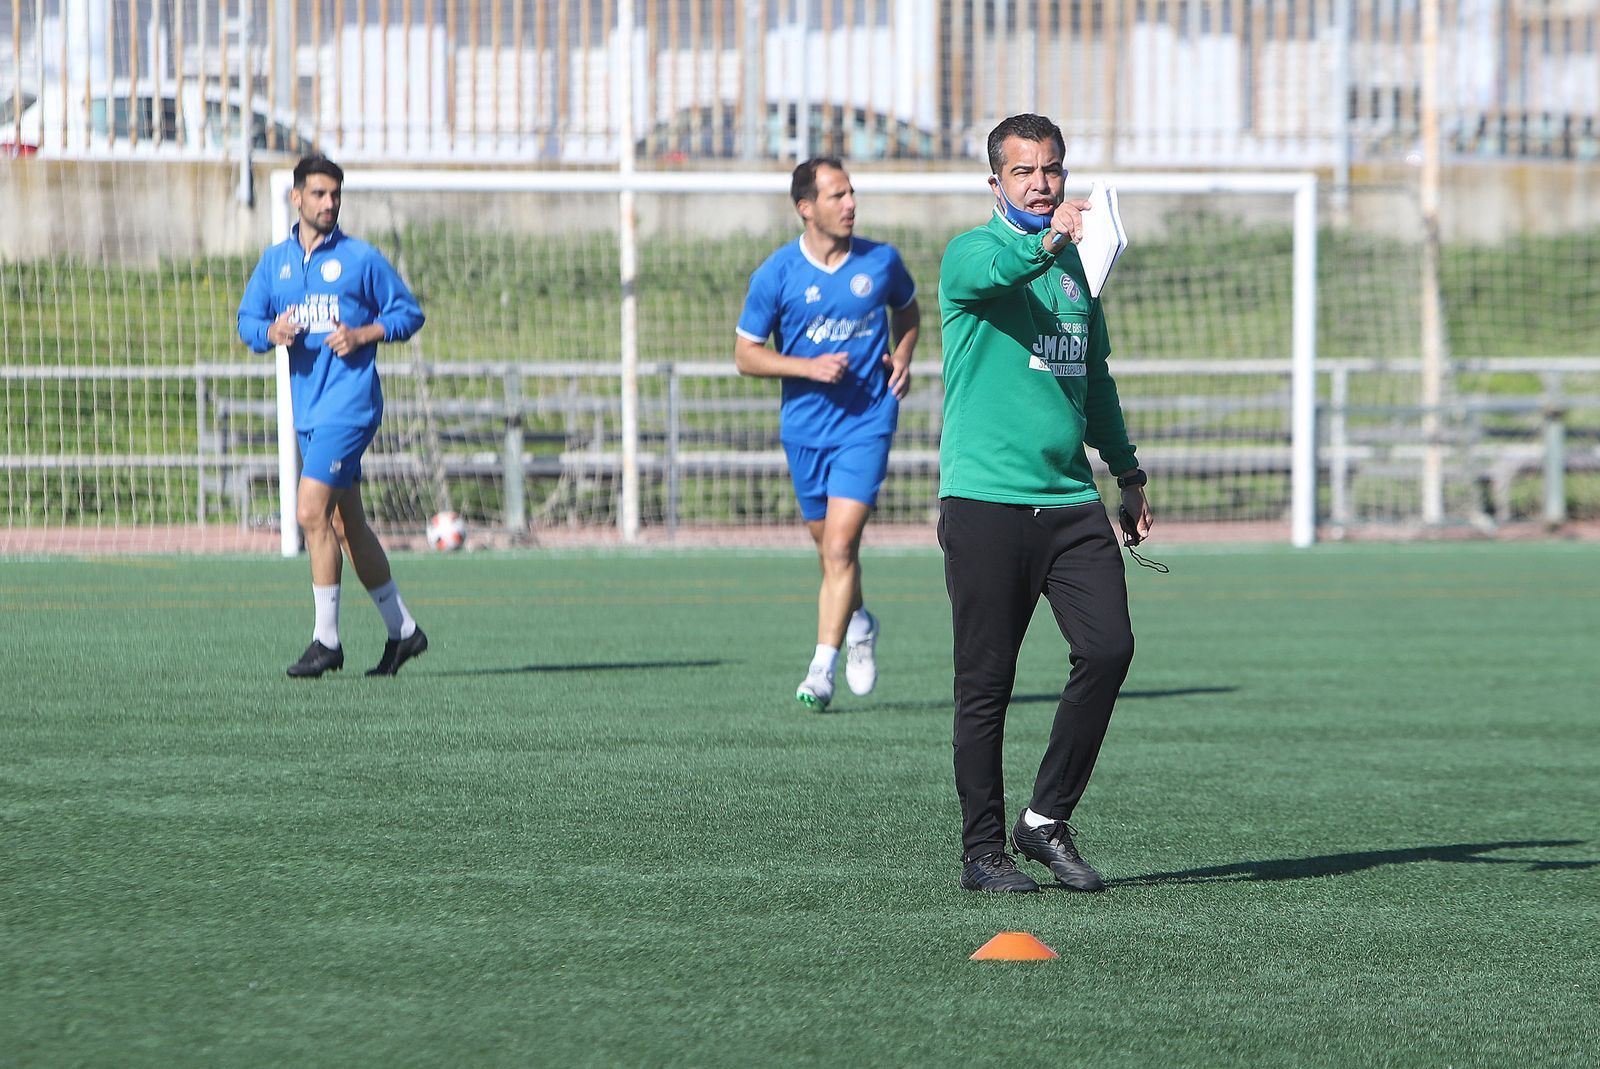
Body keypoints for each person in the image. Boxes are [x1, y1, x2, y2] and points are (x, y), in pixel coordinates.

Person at [936, 114, 1153, 893]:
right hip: (987, 504)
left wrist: (1127, 474)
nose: (1041, 183)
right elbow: (1000, 275)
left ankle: (1044, 820)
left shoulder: (1075, 274)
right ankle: (982, 851)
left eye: (1052, 170)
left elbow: (1094, 382)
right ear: (995, 182)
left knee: (1109, 649)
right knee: (986, 683)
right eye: (1024, 171)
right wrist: (1050, 242)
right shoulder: (973, 252)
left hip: (1069, 504)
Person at [735, 157, 921, 711]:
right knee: (830, 553)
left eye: (851, 192)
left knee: (841, 545)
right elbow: (746, 355)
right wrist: (806, 367)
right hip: (804, 430)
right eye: (837, 195)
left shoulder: (881, 261)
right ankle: (860, 621)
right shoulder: (776, 275)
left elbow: (908, 312)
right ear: (806, 207)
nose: (850, 204)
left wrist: (903, 357)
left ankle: (822, 668)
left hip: (867, 421)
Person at [238, 154, 430, 678]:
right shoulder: (275, 262)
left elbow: (408, 313)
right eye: (319, 195)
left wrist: (365, 333)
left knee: (308, 513)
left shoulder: (361, 259)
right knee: (346, 525)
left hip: (350, 407)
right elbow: (247, 320)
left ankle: (326, 641)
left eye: (335, 195)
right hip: (310, 410)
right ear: (296, 198)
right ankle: (404, 631)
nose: (329, 204)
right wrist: (269, 333)